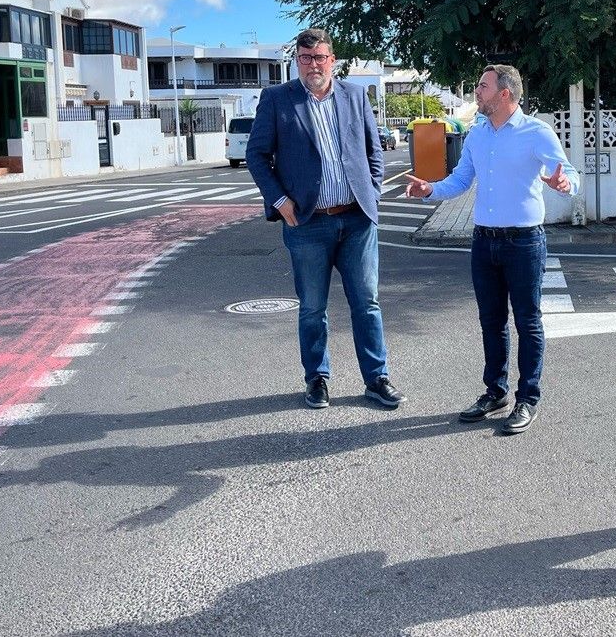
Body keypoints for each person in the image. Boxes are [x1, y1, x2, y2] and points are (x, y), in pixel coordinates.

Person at [404, 64, 579, 434]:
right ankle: (495, 391)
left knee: (528, 323)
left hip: (524, 242)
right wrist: (429, 190)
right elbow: (460, 181)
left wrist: (564, 183)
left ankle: (527, 398)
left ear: (504, 94)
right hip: (483, 241)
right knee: (491, 321)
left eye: (482, 87)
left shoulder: (537, 132)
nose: (476, 94)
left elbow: (569, 174)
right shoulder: (477, 136)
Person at [246, 28, 405, 411]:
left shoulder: (354, 95)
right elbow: (256, 155)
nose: (313, 64)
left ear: (332, 60)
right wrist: (280, 200)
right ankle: (317, 378)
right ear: (296, 61)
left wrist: (374, 192)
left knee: (367, 303)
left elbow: (373, 150)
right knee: (312, 307)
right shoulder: (277, 99)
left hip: (356, 220)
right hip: (307, 223)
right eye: (305, 58)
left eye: (320, 57)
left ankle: (376, 378)